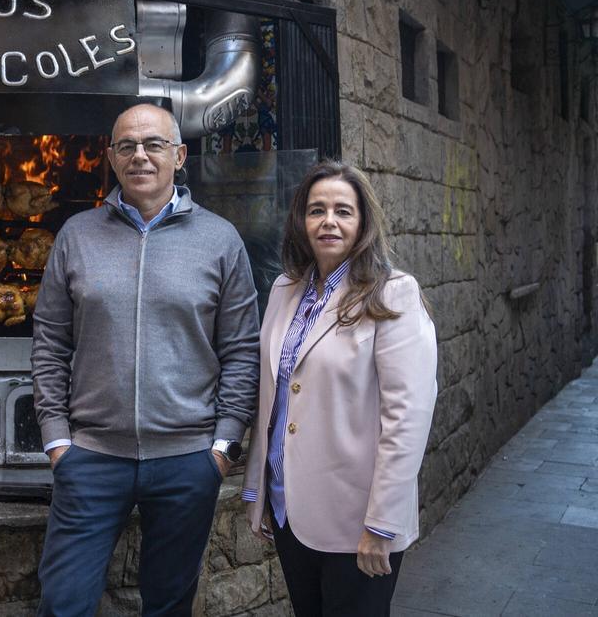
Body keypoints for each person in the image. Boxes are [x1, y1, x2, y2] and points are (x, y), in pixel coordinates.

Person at [32, 102, 260, 616]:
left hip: (187, 460)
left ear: (179, 156)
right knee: (63, 603)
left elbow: (243, 349)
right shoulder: (76, 235)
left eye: (154, 144)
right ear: (110, 158)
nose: (140, 156)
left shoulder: (220, 240)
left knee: (169, 604)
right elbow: (48, 340)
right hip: (91, 458)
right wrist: (57, 439)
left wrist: (224, 445)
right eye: (127, 146)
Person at [241, 160, 437, 616]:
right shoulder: (285, 289)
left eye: (343, 211)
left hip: (359, 518)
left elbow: (407, 417)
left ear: (363, 222)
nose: (328, 221)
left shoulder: (393, 295)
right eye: (316, 210)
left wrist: (383, 523)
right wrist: (257, 491)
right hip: (290, 509)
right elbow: (272, 396)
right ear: (301, 220)